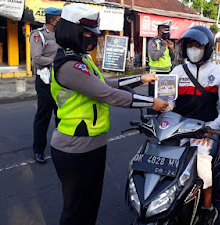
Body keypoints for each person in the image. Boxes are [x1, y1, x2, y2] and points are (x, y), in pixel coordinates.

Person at [50, 4, 168, 225]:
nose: (91, 39)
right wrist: (153, 102)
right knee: (76, 212)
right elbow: (108, 95)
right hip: (76, 148)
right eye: (86, 34)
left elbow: (104, 83)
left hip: (91, 145)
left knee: (89, 208)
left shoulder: (81, 60)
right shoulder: (68, 66)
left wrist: (139, 79)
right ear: (71, 31)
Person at [170, 25, 220, 225]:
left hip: (207, 129)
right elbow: (169, 103)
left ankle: (207, 207)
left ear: (208, 48)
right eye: (190, 46)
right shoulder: (177, 71)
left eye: (197, 46)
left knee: (202, 161)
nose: (192, 49)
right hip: (178, 129)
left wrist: (209, 129)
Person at [30, 7, 62, 164]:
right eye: (60, 18)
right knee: (43, 116)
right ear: (52, 20)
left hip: (62, 80)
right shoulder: (38, 35)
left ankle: (61, 147)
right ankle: (38, 151)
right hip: (45, 82)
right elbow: (37, 58)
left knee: (61, 115)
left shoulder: (62, 34)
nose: (61, 21)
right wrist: (57, 61)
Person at [147, 20, 175, 111]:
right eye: (164, 31)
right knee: (154, 99)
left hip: (167, 74)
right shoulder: (152, 42)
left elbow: (173, 58)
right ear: (159, 31)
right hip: (155, 74)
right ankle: (151, 117)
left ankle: (164, 117)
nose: (167, 34)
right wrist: (163, 47)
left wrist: (171, 49)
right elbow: (154, 57)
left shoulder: (167, 42)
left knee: (166, 98)